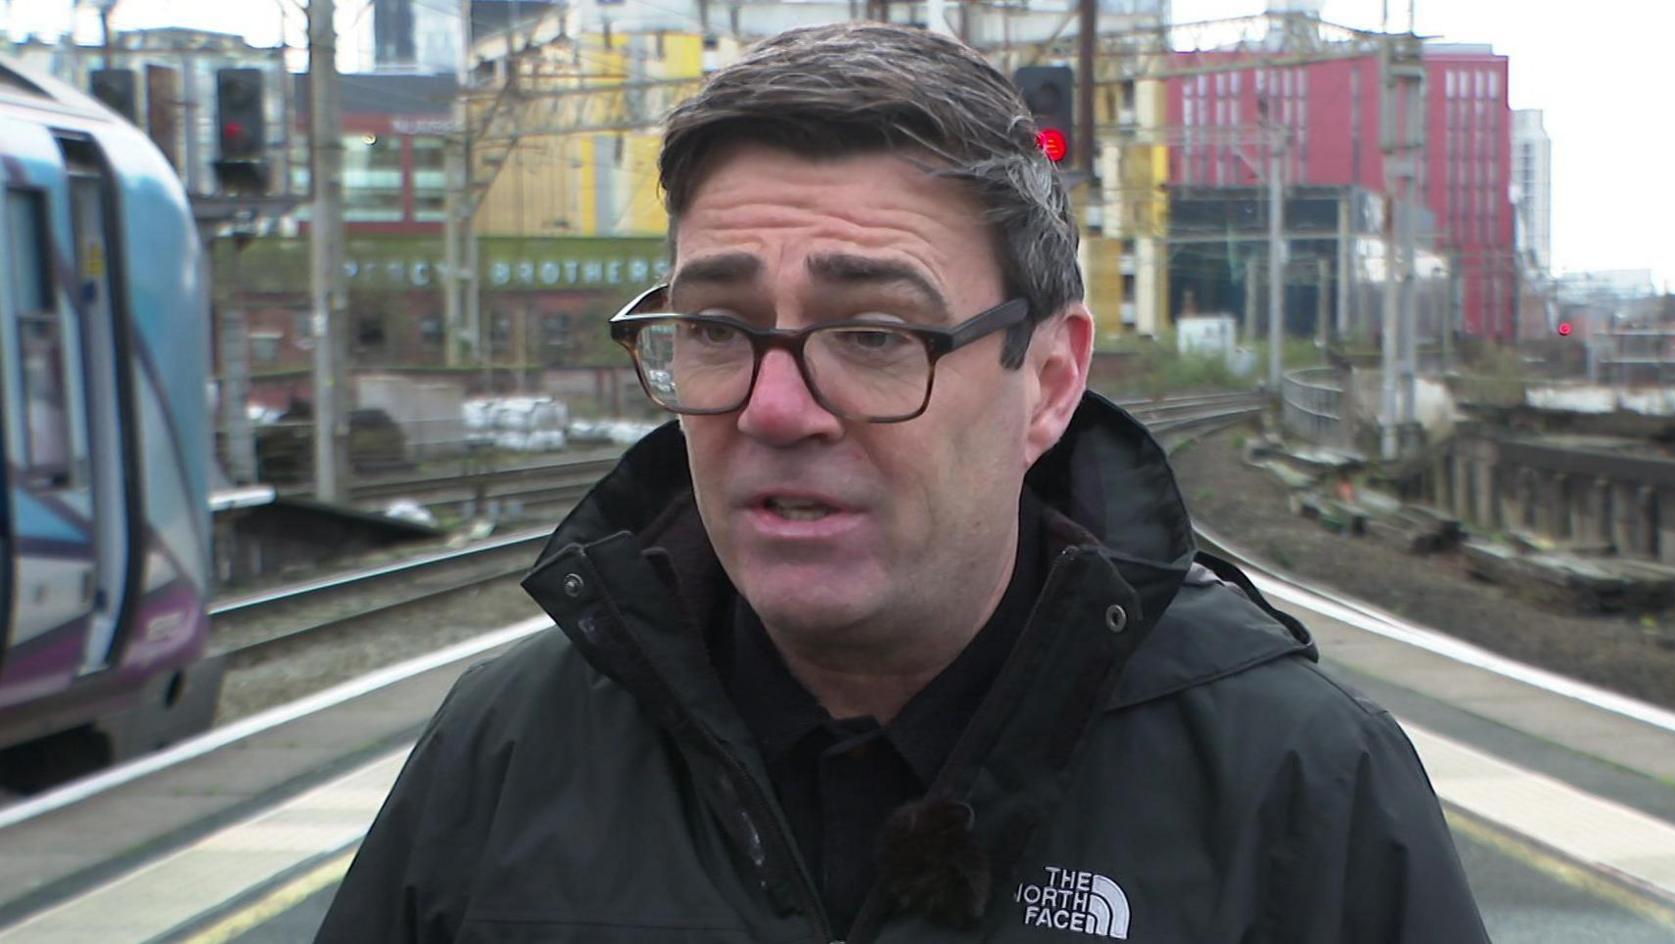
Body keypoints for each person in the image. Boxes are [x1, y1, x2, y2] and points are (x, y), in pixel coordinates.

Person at [317, 22, 1488, 943]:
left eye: (876, 333)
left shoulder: (1299, 788)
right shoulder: (505, 753)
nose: (776, 408)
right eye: (719, 328)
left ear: (1049, 381)